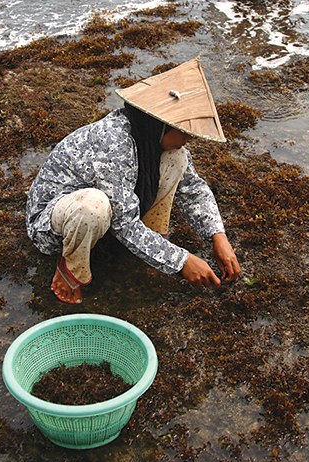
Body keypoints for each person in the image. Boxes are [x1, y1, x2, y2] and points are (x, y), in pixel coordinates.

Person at [26, 58, 240, 304]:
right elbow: (124, 223)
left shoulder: (146, 135)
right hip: (53, 223)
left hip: (105, 212)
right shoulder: (114, 142)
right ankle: (70, 270)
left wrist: (218, 236)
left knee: (176, 159)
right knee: (93, 206)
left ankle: (151, 238)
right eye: (184, 131)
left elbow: (193, 189)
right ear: (162, 126)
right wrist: (182, 261)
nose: (188, 139)